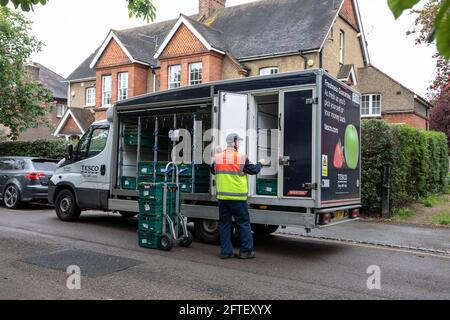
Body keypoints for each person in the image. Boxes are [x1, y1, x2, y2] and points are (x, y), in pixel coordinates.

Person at [211, 133, 269, 259]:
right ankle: (245, 251)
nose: (240, 144)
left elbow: (212, 170)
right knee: (243, 223)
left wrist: (217, 154)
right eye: (239, 142)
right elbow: (254, 170)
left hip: (223, 198)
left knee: (225, 224)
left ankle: (226, 252)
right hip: (238, 198)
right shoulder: (241, 157)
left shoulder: (219, 157)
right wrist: (260, 162)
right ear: (235, 142)